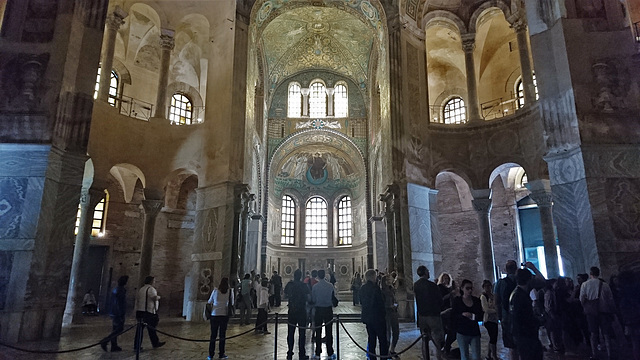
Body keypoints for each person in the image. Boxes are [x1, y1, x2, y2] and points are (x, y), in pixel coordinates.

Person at [580, 266, 616, 360]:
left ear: (590, 274)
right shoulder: (604, 285)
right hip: (604, 311)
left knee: (593, 334)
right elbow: (610, 298)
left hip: (591, 313)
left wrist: (586, 307)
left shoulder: (585, 284)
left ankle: (594, 353)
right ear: (598, 273)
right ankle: (610, 354)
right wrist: (612, 310)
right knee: (606, 334)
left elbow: (582, 299)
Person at [510, 269, 543, 360]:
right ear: (529, 280)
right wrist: (537, 321)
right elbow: (522, 317)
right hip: (526, 335)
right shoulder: (520, 296)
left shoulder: (517, 293)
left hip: (523, 334)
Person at [413, 265, 444, 360]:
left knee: (424, 339)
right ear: (425, 272)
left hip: (422, 316)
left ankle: (425, 357)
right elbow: (439, 300)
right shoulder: (432, 285)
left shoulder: (416, 285)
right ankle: (438, 357)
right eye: (428, 271)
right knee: (436, 338)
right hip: (433, 315)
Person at [360, 269, 389, 360]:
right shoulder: (376, 288)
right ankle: (383, 358)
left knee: (371, 340)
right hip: (378, 318)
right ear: (373, 277)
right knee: (382, 340)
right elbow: (380, 303)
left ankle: (372, 358)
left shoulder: (362, 288)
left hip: (368, 318)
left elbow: (361, 302)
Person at [452, 279, 483, 360]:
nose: (470, 290)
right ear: (462, 288)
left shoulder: (476, 301)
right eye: (467, 288)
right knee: (464, 356)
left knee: (476, 356)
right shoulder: (457, 301)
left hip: (474, 332)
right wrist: (462, 315)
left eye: (471, 288)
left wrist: (472, 316)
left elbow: (480, 315)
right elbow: (453, 315)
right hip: (462, 332)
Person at [495, 260, 519, 360]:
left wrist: (499, 317)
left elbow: (497, 301)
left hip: (507, 316)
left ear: (505, 269)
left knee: (512, 346)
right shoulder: (520, 281)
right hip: (521, 316)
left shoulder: (500, 283)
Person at [134, 276, 166, 351]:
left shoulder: (141, 289)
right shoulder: (151, 289)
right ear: (151, 281)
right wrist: (159, 297)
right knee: (151, 328)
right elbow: (154, 297)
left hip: (140, 311)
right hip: (148, 312)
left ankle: (138, 345)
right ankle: (154, 343)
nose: (154, 282)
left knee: (140, 330)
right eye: (154, 281)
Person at [284, 269, 310, 360]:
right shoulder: (303, 285)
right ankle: (302, 353)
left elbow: (285, 293)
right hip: (301, 312)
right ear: (300, 276)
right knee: (302, 333)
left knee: (290, 332)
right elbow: (308, 296)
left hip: (292, 311)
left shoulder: (289, 285)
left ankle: (290, 351)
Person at [311, 269, 336, 360]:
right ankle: (330, 351)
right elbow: (334, 297)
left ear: (318, 275)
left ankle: (318, 351)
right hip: (328, 309)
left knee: (318, 331)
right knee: (329, 331)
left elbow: (313, 299)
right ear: (324, 275)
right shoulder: (330, 285)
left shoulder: (315, 286)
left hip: (318, 309)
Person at [207, 277, 234, 360]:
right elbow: (232, 303)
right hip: (224, 315)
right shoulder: (230, 292)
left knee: (213, 335)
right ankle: (221, 354)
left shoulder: (215, 291)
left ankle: (211, 355)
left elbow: (209, 301)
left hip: (214, 314)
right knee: (222, 335)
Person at [100, 275, 128, 352]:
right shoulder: (121, 290)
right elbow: (120, 303)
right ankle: (105, 341)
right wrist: (121, 314)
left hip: (114, 312)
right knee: (119, 329)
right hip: (118, 313)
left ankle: (114, 345)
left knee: (115, 329)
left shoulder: (115, 289)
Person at [437, 272, 456, 354]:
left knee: (452, 330)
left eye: (447, 278)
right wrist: (450, 294)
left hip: (451, 310)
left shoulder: (450, 288)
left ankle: (447, 345)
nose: (446, 280)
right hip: (444, 311)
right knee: (444, 330)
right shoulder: (440, 288)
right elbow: (440, 299)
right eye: (445, 278)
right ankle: (442, 346)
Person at [381, 274, 399, 356]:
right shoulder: (381, 291)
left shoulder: (392, 289)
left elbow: (395, 299)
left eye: (390, 279)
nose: (389, 281)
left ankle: (392, 349)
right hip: (386, 313)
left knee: (396, 331)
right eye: (387, 280)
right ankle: (387, 350)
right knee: (388, 332)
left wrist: (395, 304)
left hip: (393, 312)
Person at [480, 280, 498, 360]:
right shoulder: (483, 297)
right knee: (493, 337)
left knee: (493, 337)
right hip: (488, 319)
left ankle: (488, 355)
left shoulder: (493, 296)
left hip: (495, 319)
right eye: (486, 286)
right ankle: (494, 355)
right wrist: (495, 310)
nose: (488, 288)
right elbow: (486, 309)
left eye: (489, 286)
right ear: (483, 287)